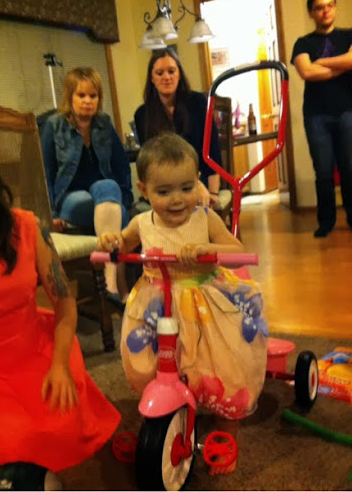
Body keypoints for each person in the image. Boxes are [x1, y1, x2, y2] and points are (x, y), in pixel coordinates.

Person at [98, 132, 268, 475]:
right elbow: (122, 244)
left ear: (198, 182)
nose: (177, 200)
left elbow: (237, 250)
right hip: (156, 303)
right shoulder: (141, 223)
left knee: (223, 365)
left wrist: (209, 250)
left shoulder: (205, 218)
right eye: (164, 192)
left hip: (203, 302)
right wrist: (112, 240)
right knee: (155, 364)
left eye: (187, 188)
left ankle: (225, 433)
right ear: (144, 190)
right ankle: (167, 409)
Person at [0, 135, 120, 482]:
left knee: (60, 425)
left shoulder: (27, 227)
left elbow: (64, 302)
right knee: (8, 442)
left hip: (33, 349)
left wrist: (60, 365)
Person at [41, 66, 133, 304]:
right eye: (81, 95)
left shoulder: (104, 123)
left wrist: (126, 197)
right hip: (69, 198)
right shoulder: (54, 125)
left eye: (93, 96)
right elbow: (44, 173)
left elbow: (121, 164)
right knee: (118, 212)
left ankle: (111, 281)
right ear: (69, 96)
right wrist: (51, 214)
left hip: (103, 196)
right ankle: (118, 283)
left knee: (110, 190)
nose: (87, 101)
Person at [291, 0, 352, 238]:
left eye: (329, 5)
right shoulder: (303, 43)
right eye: (319, 7)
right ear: (311, 13)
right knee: (323, 172)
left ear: (334, 8)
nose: (325, 10)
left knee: (350, 169)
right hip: (316, 116)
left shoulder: (350, 35)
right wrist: (342, 63)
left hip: (348, 113)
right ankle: (326, 222)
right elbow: (306, 72)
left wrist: (322, 63)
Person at [134, 49, 222, 208]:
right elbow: (149, 162)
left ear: (179, 73)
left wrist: (213, 192)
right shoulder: (142, 114)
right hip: (163, 186)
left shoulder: (199, 102)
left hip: (200, 180)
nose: (166, 77)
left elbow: (213, 149)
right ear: (152, 78)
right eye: (159, 73)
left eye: (171, 71)